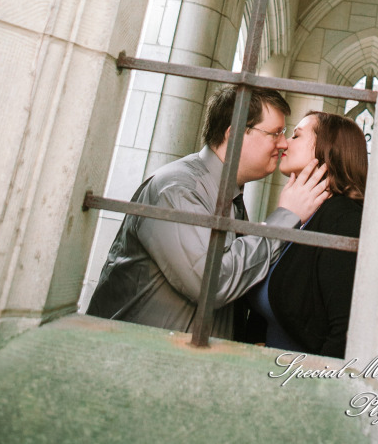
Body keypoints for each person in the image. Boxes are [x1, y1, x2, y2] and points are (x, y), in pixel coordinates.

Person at [86, 85, 329, 339]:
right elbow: (210, 284)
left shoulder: (228, 195)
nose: (283, 144)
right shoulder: (177, 190)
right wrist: (285, 218)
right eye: (275, 133)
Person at [247, 111, 367, 358]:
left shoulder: (344, 220)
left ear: (327, 149)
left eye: (296, 135)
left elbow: (344, 332)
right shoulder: (303, 213)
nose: (284, 143)